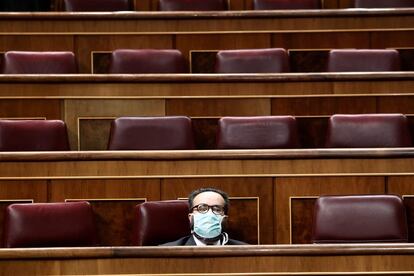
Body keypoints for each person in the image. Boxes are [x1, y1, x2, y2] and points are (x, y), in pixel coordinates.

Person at [162, 187, 247, 246]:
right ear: (190, 217)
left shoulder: (246, 252)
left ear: (225, 218)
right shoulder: (165, 253)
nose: (209, 213)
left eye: (217, 209)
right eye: (202, 208)